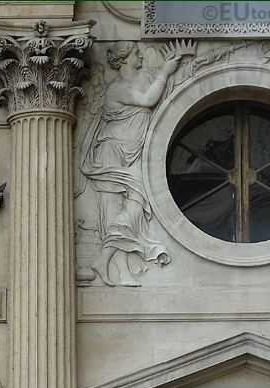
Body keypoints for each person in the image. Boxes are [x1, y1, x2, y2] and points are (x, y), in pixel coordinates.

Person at [77, 41, 192, 286]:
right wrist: (166, 70)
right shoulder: (117, 88)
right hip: (112, 152)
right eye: (135, 53)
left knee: (134, 208)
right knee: (115, 210)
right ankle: (121, 270)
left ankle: (106, 260)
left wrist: (177, 63)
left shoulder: (140, 80)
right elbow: (149, 100)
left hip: (131, 153)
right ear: (124, 58)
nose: (140, 55)